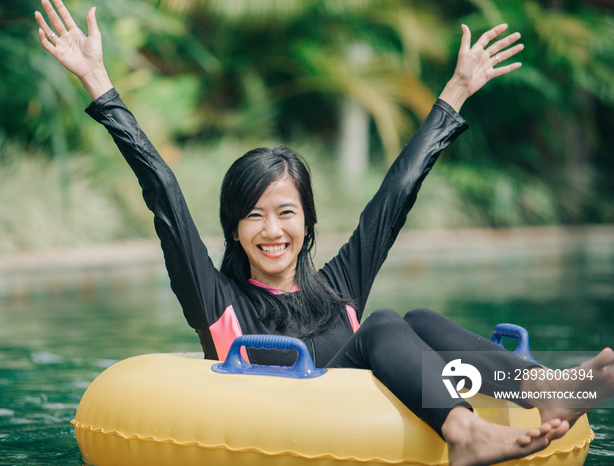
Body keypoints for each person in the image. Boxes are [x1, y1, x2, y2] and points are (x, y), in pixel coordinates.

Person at [35, 1, 614, 465]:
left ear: (308, 222)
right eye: (254, 215)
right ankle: (463, 432)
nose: (272, 230)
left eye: (286, 212)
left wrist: (456, 91)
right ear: (234, 229)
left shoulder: (338, 288)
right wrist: (99, 85)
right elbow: (163, 192)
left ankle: (543, 387)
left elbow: (396, 195)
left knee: (421, 322)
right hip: (295, 433)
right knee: (385, 323)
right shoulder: (217, 301)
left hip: (372, 424)